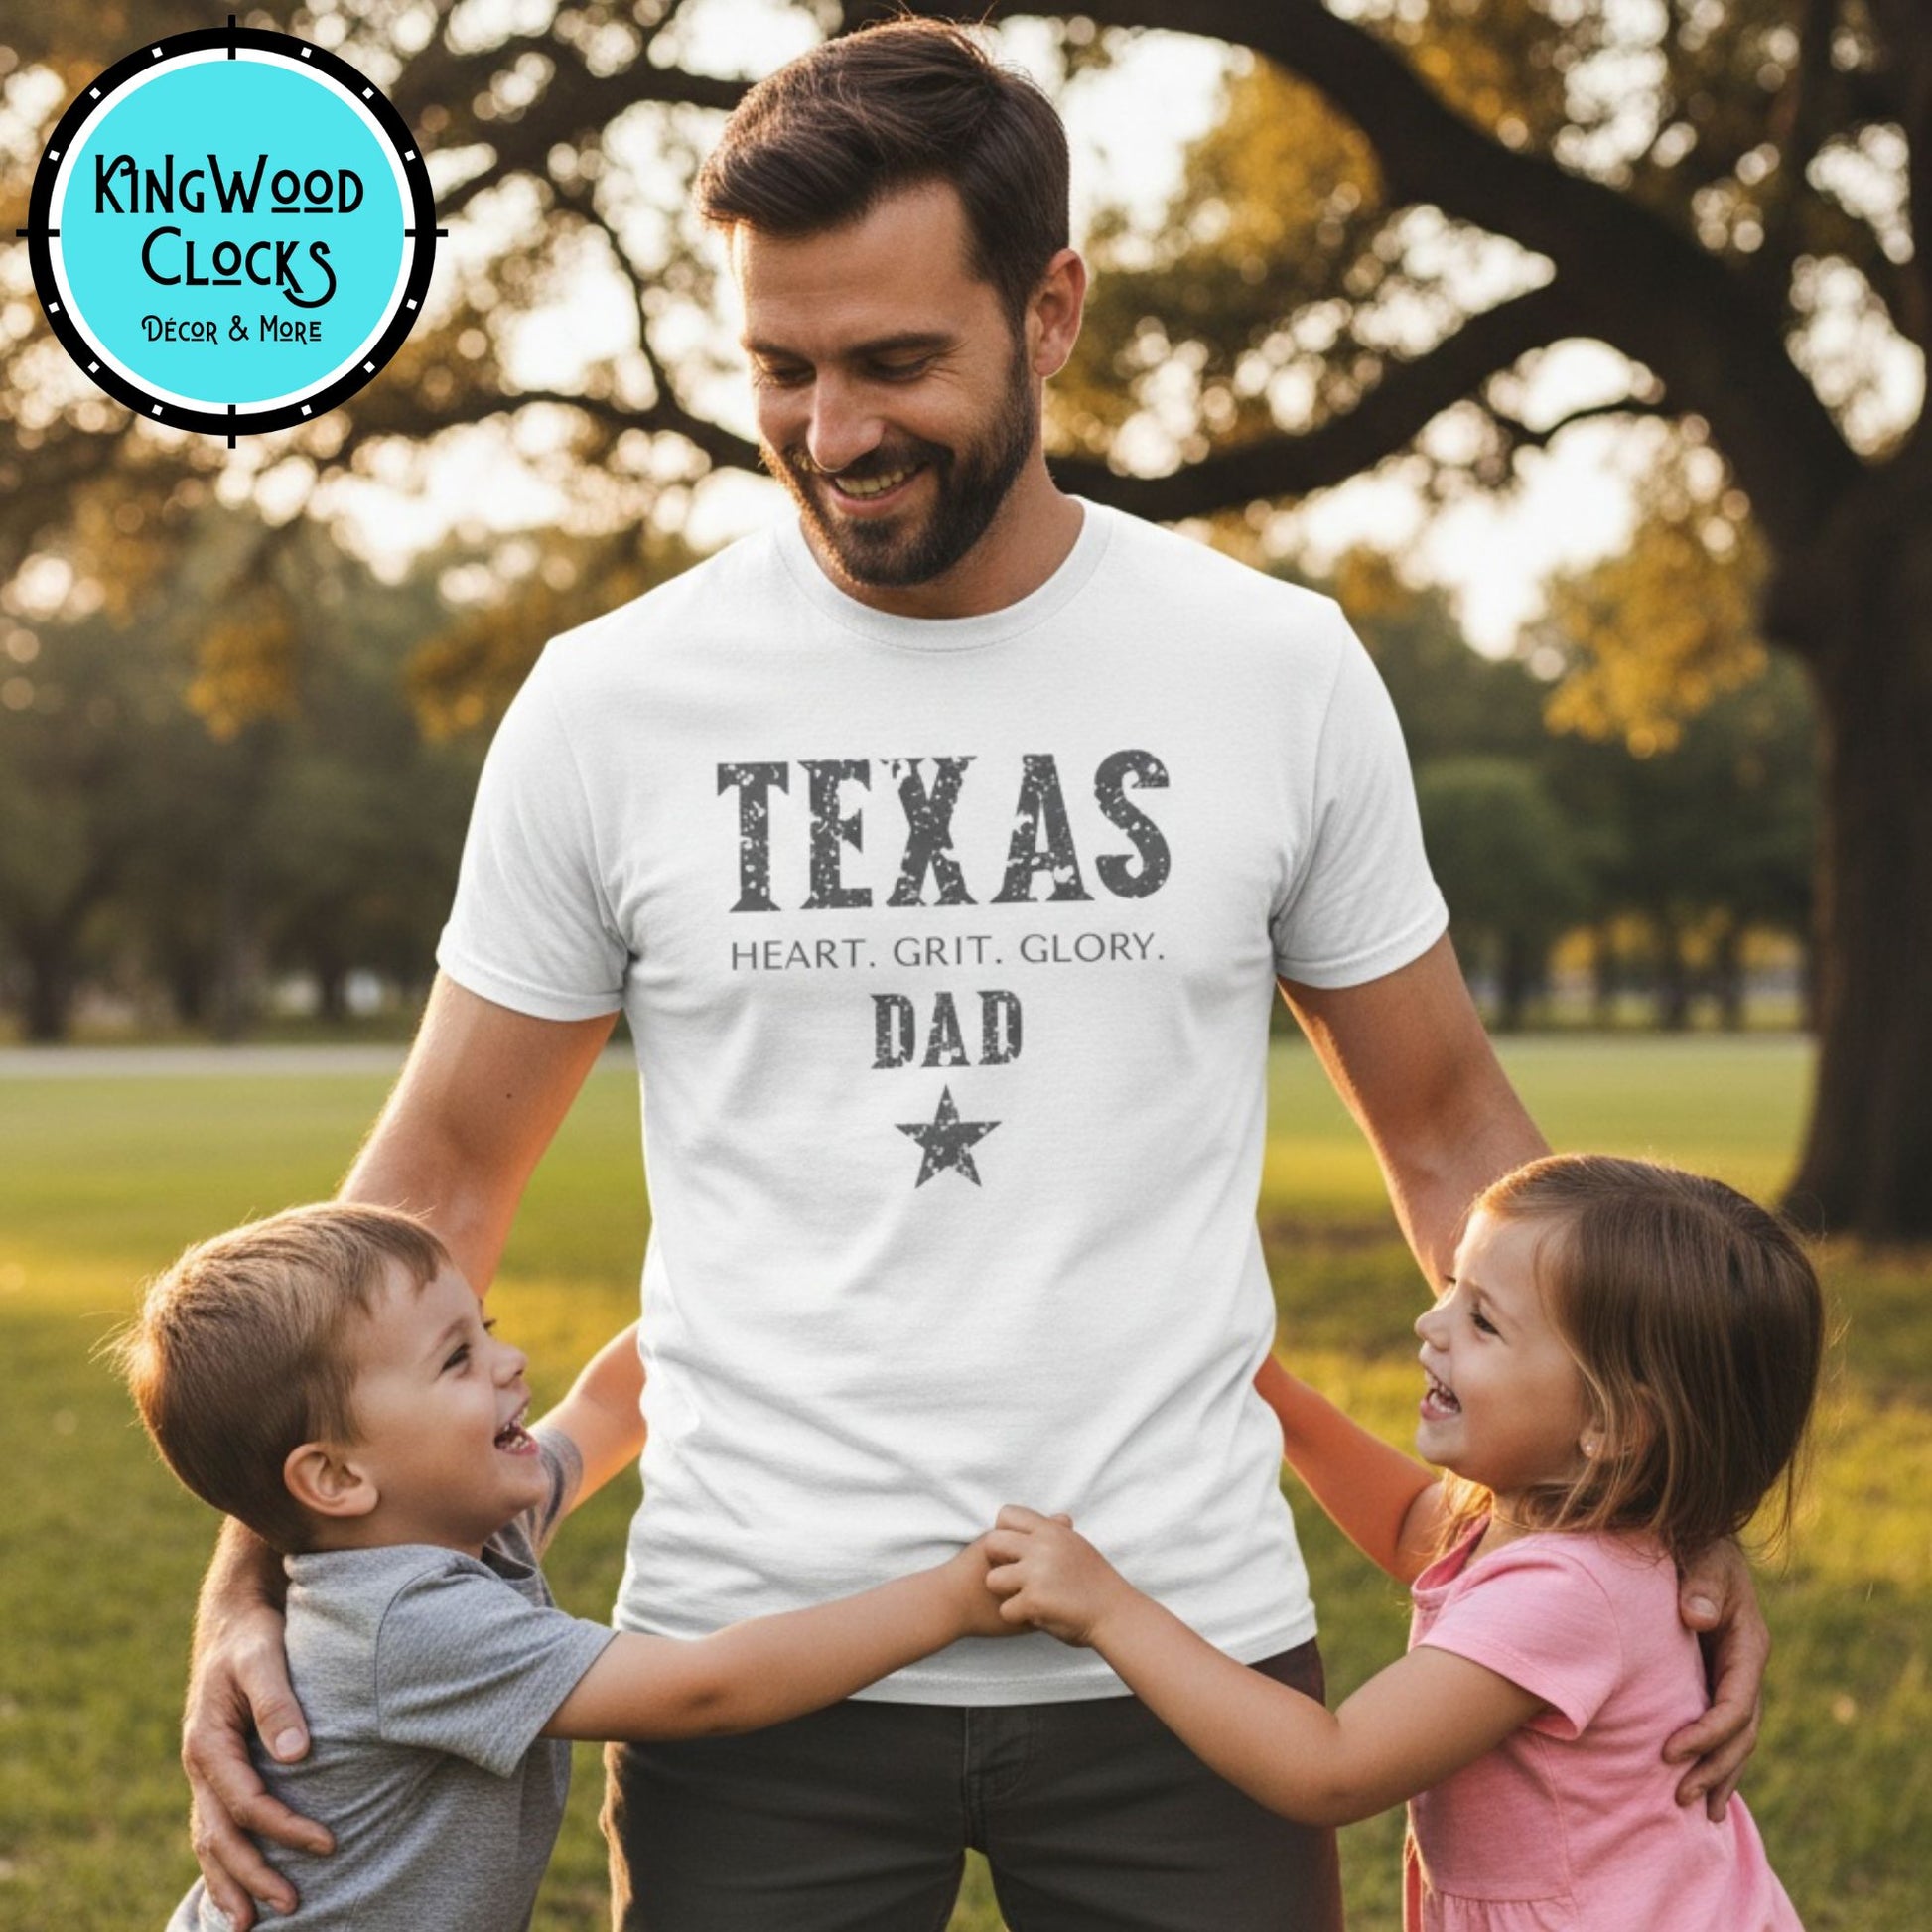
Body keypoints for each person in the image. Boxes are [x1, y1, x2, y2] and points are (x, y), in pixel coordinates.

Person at [179, 21, 1769, 1932]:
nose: (832, 434)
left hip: (1188, 1651)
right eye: (780, 369)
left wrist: (1660, 1513)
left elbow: (1448, 1134)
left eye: (895, 363)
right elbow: (431, 1186)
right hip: (747, 1664)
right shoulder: (611, 702)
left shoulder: (1272, 671)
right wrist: (265, 1574)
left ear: (1052, 313)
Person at [117, 1202, 1012, 1931]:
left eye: (487, 1328)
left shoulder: (466, 1522)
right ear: (338, 1478)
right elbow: (706, 1690)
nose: (511, 1361)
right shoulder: (408, 1623)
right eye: (457, 1358)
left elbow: (609, 1408)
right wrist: (953, 1599)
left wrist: (733, 1297)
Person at [985, 1155, 1820, 1929]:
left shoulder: (1567, 1592)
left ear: (1612, 1423)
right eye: (1452, 1287)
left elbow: (1332, 1769)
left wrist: (1108, 1611)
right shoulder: (1568, 1529)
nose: (1430, 1322)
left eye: (1483, 1321)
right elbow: (1413, 1524)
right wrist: (1267, 1390)